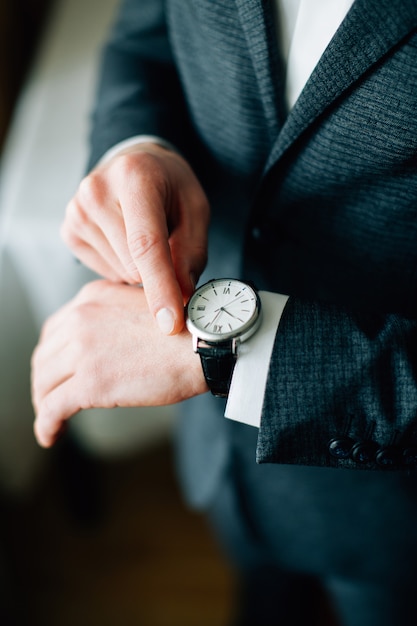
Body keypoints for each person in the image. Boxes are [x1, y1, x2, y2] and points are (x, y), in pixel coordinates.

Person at [31, 0, 417, 624]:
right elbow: (145, 36)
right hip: (219, 451)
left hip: (388, 519)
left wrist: (232, 354)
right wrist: (136, 146)